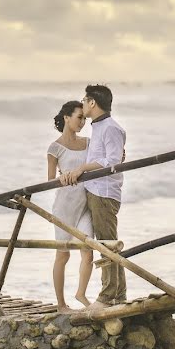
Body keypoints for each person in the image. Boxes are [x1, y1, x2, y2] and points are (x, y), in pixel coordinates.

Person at [61, 84, 127, 310]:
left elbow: (113, 161)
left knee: (107, 244)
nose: (82, 103)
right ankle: (117, 294)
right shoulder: (99, 127)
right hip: (95, 190)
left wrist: (82, 168)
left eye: (84, 99)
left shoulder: (110, 128)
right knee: (106, 242)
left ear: (92, 103)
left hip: (104, 192)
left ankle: (108, 296)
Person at [47, 100, 94, 313]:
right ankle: (61, 304)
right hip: (64, 206)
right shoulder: (55, 148)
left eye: (84, 118)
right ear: (66, 117)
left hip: (84, 204)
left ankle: (81, 293)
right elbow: (49, 181)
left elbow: (99, 161)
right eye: (79, 117)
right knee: (63, 255)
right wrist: (61, 178)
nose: (83, 122)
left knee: (88, 250)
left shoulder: (88, 143)